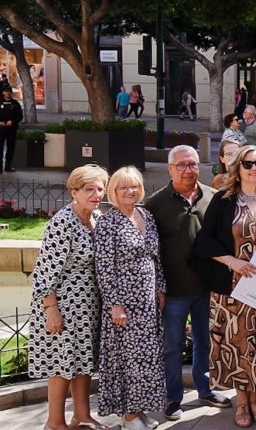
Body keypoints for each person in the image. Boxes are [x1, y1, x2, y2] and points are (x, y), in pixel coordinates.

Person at [193, 145, 256, 428]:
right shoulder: (225, 200)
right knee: (238, 346)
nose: (253, 168)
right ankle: (242, 404)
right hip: (233, 288)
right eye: (248, 164)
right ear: (238, 168)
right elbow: (203, 241)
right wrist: (232, 262)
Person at [144, 146, 230, 420]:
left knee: (204, 342)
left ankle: (205, 389)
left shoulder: (213, 198)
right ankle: (172, 398)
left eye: (192, 164)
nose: (187, 170)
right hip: (173, 291)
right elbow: (150, 250)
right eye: (180, 165)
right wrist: (157, 287)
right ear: (170, 169)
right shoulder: (155, 204)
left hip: (206, 288)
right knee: (172, 345)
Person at [29, 164, 109, 430]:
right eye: (89, 189)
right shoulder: (63, 222)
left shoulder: (96, 217)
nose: (96, 194)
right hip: (63, 304)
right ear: (74, 191)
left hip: (88, 304)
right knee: (62, 363)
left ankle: (82, 416)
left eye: (100, 188)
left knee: (83, 361)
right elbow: (43, 272)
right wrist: (51, 309)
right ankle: (54, 422)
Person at [95, 167, 165, 430]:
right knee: (128, 360)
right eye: (124, 187)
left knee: (146, 358)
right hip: (123, 303)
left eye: (134, 186)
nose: (130, 191)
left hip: (147, 300)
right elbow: (103, 267)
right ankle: (129, 416)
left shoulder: (145, 214)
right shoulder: (107, 222)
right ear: (113, 190)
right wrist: (114, 305)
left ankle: (140, 409)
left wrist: (161, 288)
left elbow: (155, 258)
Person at [0, 86, 22, 173]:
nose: (7, 93)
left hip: (11, 128)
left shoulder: (15, 103)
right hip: (0, 128)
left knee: (11, 147)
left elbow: (19, 116)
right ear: (3, 92)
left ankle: (8, 165)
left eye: (9, 91)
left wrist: (12, 121)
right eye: (5, 91)